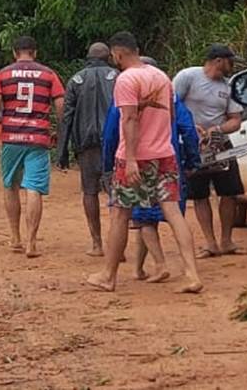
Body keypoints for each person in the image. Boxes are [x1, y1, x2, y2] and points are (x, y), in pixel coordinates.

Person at [86, 32, 202, 293]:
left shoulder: (126, 79)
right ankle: (192, 275)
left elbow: (128, 119)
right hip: (166, 155)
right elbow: (172, 116)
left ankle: (108, 275)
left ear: (117, 54)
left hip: (138, 157)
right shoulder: (162, 77)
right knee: (173, 213)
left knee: (120, 214)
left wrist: (129, 160)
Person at [0, 36, 65, 259]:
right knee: (34, 187)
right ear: (34, 52)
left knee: (11, 185)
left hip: (11, 138)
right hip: (38, 138)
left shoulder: (3, 75)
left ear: (14, 53)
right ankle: (31, 242)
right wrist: (62, 133)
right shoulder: (49, 74)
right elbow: (60, 106)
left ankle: (15, 237)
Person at [173, 44, 246, 258]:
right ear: (218, 60)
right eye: (229, 61)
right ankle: (210, 242)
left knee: (230, 192)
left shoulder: (229, 86)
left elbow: (236, 120)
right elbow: (170, 105)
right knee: (200, 194)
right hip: (192, 145)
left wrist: (218, 129)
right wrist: (188, 127)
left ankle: (226, 240)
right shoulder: (188, 77)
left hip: (220, 144)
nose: (231, 66)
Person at [56, 42, 117, 257]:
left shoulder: (76, 80)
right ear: (108, 57)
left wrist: (61, 151)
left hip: (86, 145)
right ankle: (117, 245)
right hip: (114, 143)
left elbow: (67, 118)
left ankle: (97, 243)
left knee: (89, 192)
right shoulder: (117, 77)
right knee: (115, 192)